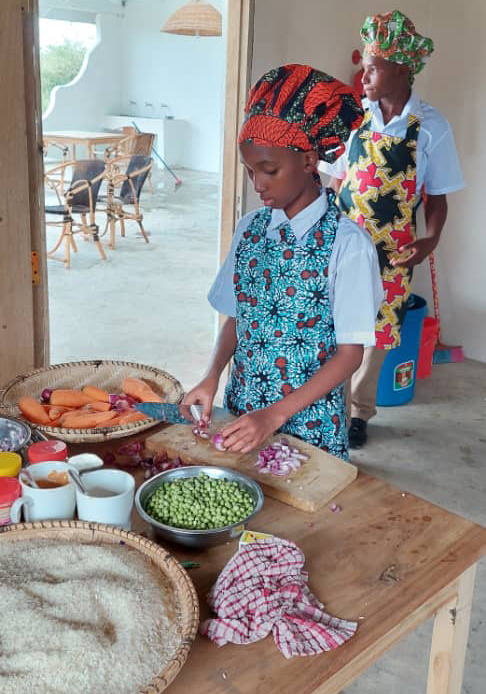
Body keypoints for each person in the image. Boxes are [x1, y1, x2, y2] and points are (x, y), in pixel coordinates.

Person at [182, 64, 383, 460]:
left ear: (309, 162)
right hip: (243, 416)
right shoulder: (250, 229)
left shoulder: (348, 245)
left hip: (310, 430)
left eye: (269, 170)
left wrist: (273, 416)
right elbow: (236, 318)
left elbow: (350, 354)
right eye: (251, 170)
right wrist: (211, 376)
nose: (258, 184)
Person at [321, 10, 464, 448]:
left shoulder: (430, 127)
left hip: (395, 250)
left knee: (379, 334)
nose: (363, 76)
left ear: (402, 70)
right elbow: (333, 178)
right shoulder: (351, 118)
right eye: (363, 66)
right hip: (346, 240)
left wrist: (430, 239)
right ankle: (330, 409)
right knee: (338, 326)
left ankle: (359, 413)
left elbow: (436, 197)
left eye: (373, 67)